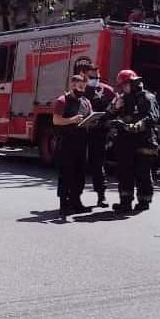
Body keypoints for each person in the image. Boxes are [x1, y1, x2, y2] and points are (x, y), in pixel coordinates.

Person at [110, 69, 159, 214]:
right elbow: (109, 113)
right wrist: (115, 107)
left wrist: (134, 127)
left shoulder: (147, 98)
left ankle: (144, 201)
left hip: (144, 141)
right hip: (125, 142)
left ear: (133, 83)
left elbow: (151, 118)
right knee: (124, 172)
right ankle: (125, 202)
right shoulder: (122, 98)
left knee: (142, 173)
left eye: (125, 85)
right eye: (122, 86)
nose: (123, 88)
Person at [74, 59, 115, 208]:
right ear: (84, 76)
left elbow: (114, 110)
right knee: (80, 165)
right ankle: (76, 198)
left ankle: (101, 196)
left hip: (100, 133)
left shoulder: (107, 91)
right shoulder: (79, 90)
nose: (95, 80)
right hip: (82, 132)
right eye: (92, 77)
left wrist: (107, 120)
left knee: (98, 165)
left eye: (97, 77)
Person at [53, 75, 93, 218]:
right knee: (66, 175)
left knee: (80, 174)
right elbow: (56, 120)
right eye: (80, 86)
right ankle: (64, 205)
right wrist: (72, 120)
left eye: (84, 87)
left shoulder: (86, 102)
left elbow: (90, 116)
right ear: (73, 84)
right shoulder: (62, 101)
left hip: (82, 143)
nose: (82, 89)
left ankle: (77, 202)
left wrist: (92, 120)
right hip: (66, 143)